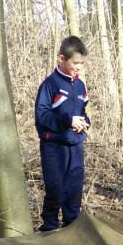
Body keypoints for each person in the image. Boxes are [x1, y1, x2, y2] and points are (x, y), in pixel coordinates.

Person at [35, 36, 91, 231]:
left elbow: (82, 112)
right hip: (54, 145)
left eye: (82, 63)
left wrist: (84, 123)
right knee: (55, 188)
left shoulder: (80, 85)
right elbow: (42, 116)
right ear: (61, 58)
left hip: (75, 145)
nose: (79, 67)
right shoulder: (50, 84)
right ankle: (49, 227)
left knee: (74, 188)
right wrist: (68, 121)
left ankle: (72, 225)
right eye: (76, 63)